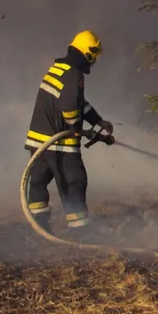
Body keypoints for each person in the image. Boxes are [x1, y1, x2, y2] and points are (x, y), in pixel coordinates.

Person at [24, 31, 115, 232]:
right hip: (60, 146)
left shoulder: (58, 69)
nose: (94, 62)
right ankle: (80, 231)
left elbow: (78, 102)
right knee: (74, 184)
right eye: (94, 57)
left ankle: (39, 226)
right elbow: (70, 107)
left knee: (38, 183)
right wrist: (76, 129)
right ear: (87, 54)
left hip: (39, 144)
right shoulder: (74, 74)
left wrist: (98, 120)